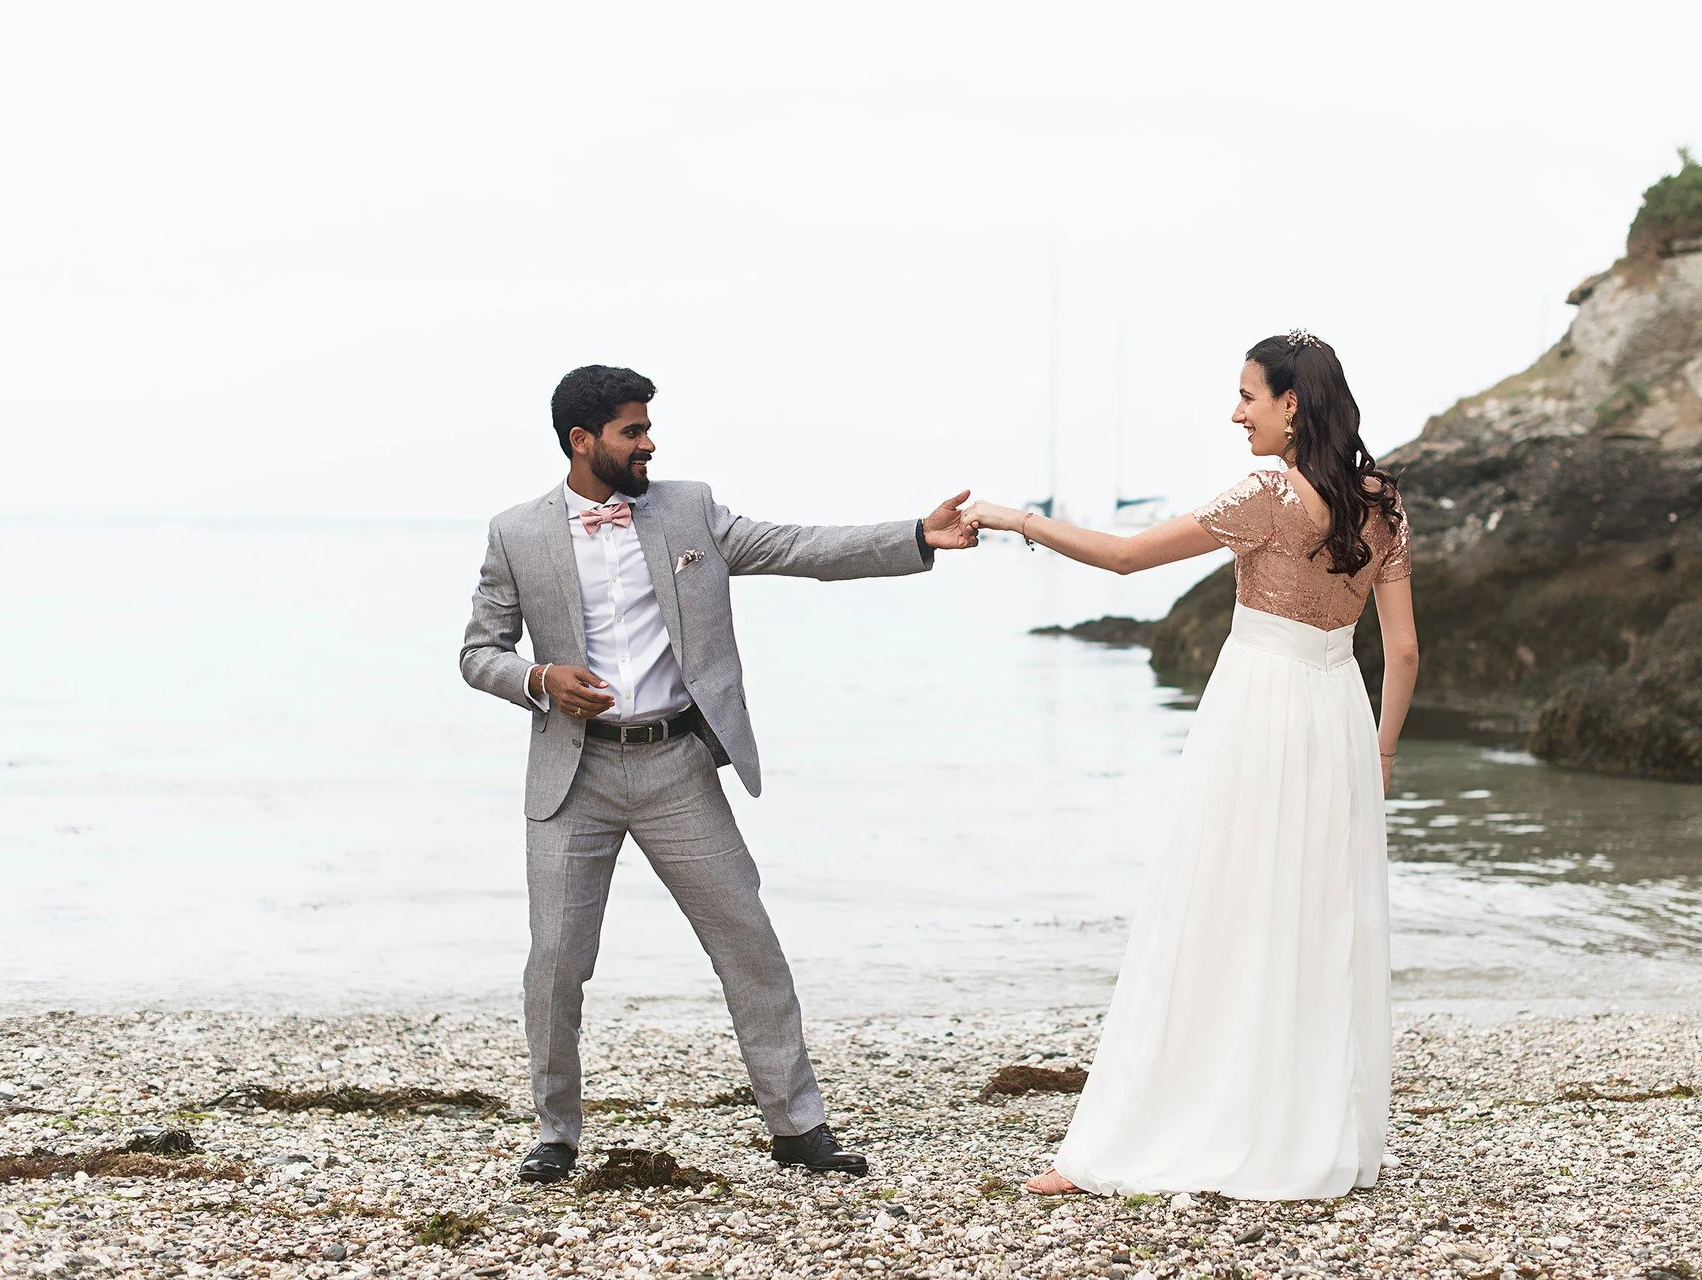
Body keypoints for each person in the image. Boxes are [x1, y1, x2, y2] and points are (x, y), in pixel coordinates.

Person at [459, 364, 977, 1184]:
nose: (649, 442)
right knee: (555, 960)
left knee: (749, 943)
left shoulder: (689, 509)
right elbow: (477, 652)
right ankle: (555, 1133)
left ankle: (799, 1126)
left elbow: (800, 547)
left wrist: (916, 534)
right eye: (633, 429)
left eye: (647, 427)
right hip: (574, 774)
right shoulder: (515, 532)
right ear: (582, 440)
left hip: (677, 766)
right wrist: (538, 679)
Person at [963, 330, 1418, 1200]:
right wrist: (1385, 749)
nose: (1236, 411)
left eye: (1249, 395)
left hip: (1257, 709)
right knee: (1315, 924)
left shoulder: (1265, 493)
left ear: (1292, 404)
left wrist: (1017, 519)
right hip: (1339, 718)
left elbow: (1128, 556)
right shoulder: (1381, 501)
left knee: (1213, 910)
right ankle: (1309, 1129)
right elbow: (1402, 651)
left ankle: (1149, 1134)